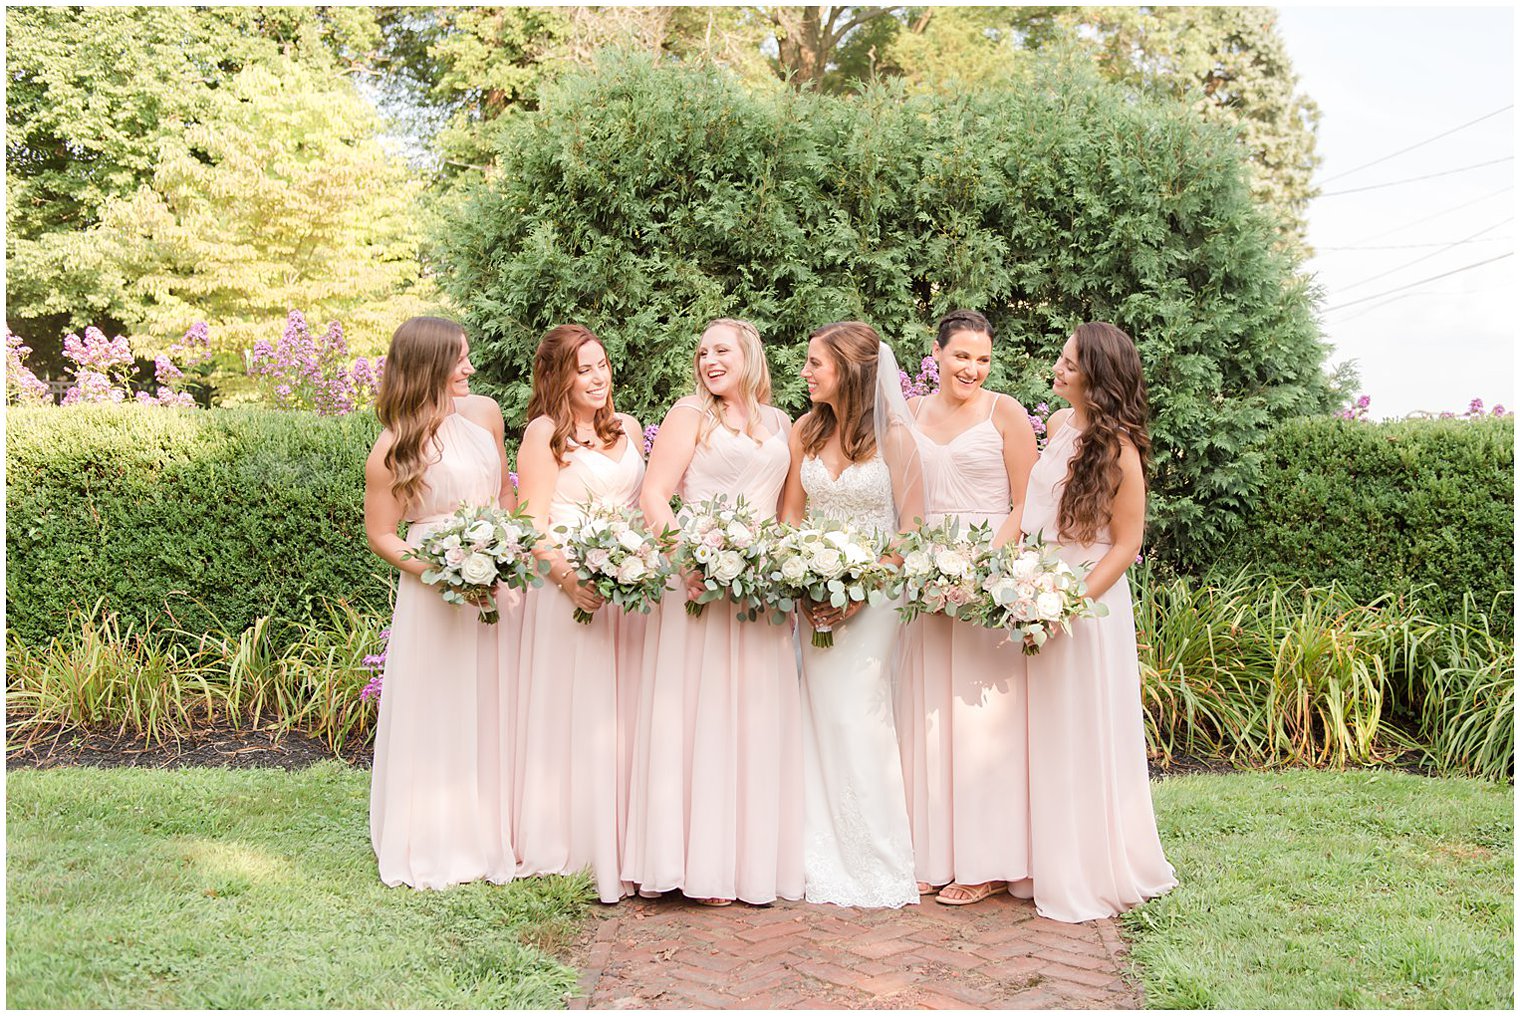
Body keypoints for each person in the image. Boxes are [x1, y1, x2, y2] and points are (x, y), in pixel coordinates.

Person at [623, 319, 804, 907]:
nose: (708, 361)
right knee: (697, 710)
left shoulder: (781, 424)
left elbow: (785, 511)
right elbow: (655, 493)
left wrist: (780, 563)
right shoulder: (688, 416)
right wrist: (688, 561)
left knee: (753, 713)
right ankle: (692, 861)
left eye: (721, 350)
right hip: (697, 581)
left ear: (750, 352)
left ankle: (746, 860)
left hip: (759, 586)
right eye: (701, 353)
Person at [1022, 321, 1177, 922]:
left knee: (1080, 729)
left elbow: (1126, 544)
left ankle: (1087, 865)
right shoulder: (1059, 428)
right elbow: (1035, 511)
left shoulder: (1119, 450)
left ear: (1097, 377)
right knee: (1043, 730)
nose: (1057, 367)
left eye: (1068, 361)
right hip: (1035, 591)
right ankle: (1041, 856)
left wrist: (1068, 604)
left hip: (1087, 603)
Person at [364, 315, 515, 889]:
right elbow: (383, 534)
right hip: (434, 593)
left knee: (486, 701)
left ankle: (486, 828)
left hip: (490, 582)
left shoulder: (480, 418)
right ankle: (433, 835)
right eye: (459, 359)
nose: (470, 369)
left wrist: (500, 548)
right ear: (428, 365)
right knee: (439, 703)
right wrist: (442, 571)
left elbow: (502, 492)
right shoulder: (393, 446)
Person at [895, 309, 1040, 905]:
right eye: (961, 357)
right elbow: (902, 500)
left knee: (981, 720)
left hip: (988, 576)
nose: (972, 370)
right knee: (927, 715)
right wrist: (919, 563)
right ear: (937, 353)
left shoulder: (1005, 413)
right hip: (926, 575)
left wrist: (983, 568)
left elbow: (1028, 504)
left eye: (982, 359)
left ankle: (985, 861)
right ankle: (931, 853)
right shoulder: (908, 415)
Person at [778, 321, 921, 909]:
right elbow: (790, 515)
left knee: (860, 715)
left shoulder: (896, 439)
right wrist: (803, 579)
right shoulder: (804, 432)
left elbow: (911, 529)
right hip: (813, 593)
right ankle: (818, 853)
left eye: (817, 364)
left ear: (852, 370)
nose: (806, 373)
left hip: (879, 595)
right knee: (817, 713)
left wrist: (862, 588)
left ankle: (879, 860)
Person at [510, 323, 646, 904]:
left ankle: (628, 838)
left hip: (629, 590)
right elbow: (530, 523)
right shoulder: (545, 434)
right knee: (578, 706)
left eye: (602, 365)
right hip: (569, 590)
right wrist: (569, 578)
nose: (597, 377)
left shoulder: (630, 428)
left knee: (627, 711)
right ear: (557, 377)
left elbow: (640, 510)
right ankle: (572, 840)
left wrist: (637, 562)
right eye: (582, 368)